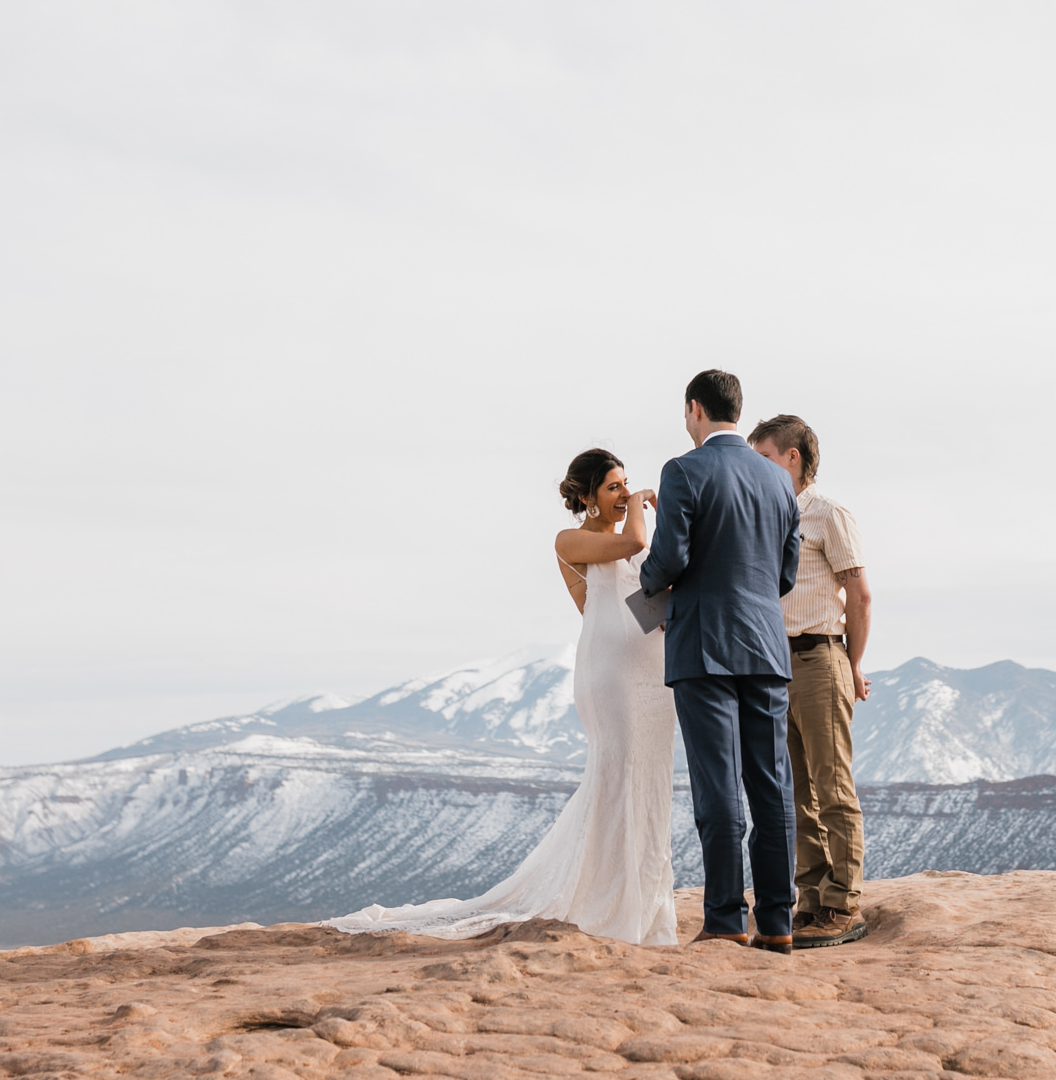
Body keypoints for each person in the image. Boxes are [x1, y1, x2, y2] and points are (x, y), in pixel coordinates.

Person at [327, 448, 678, 946]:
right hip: (611, 675)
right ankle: (609, 901)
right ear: (587, 497)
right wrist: (647, 502)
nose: (624, 494)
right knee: (618, 775)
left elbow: (643, 604)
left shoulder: (630, 542)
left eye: (627, 484)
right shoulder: (573, 539)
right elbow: (632, 547)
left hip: (649, 672)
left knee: (650, 780)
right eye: (614, 487)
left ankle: (645, 904)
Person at [637, 368, 802, 952]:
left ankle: (727, 920)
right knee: (772, 784)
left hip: (704, 644)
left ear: (694, 410)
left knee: (719, 788)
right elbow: (786, 572)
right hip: (765, 643)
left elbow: (669, 558)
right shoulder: (780, 481)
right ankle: (779, 923)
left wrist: (646, 584)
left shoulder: (683, 470)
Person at [749, 415, 872, 948]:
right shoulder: (768, 515)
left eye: (765, 459)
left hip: (821, 656)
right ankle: (813, 901)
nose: (757, 469)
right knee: (799, 792)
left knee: (833, 787)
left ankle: (844, 904)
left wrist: (852, 663)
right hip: (778, 663)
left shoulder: (827, 514)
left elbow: (860, 594)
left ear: (792, 457)